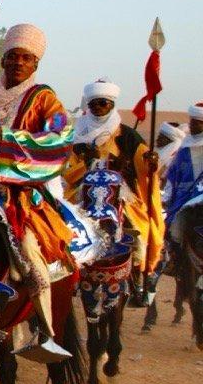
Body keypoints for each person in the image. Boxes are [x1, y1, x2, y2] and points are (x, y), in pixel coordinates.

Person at [0, 23, 76, 351]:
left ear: (35, 63)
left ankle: (47, 331)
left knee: (29, 253)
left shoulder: (44, 98)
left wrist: (8, 139)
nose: (17, 62)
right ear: (3, 59)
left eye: (25, 58)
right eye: (12, 56)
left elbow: (60, 138)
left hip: (18, 195)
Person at [64, 78, 163, 294]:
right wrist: (86, 163)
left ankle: (138, 275)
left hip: (120, 193)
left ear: (111, 104)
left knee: (138, 229)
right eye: (93, 103)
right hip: (83, 191)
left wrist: (151, 163)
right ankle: (67, 277)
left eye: (103, 103)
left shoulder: (128, 136)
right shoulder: (76, 136)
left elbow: (144, 165)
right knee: (63, 227)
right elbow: (67, 171)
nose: (98, 107)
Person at [164, 103, 203, 242]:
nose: (192, 126)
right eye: (192, 122)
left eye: (197, 123)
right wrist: (167, 197)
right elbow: (173, 173)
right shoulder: (184, 146)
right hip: (181, 198)